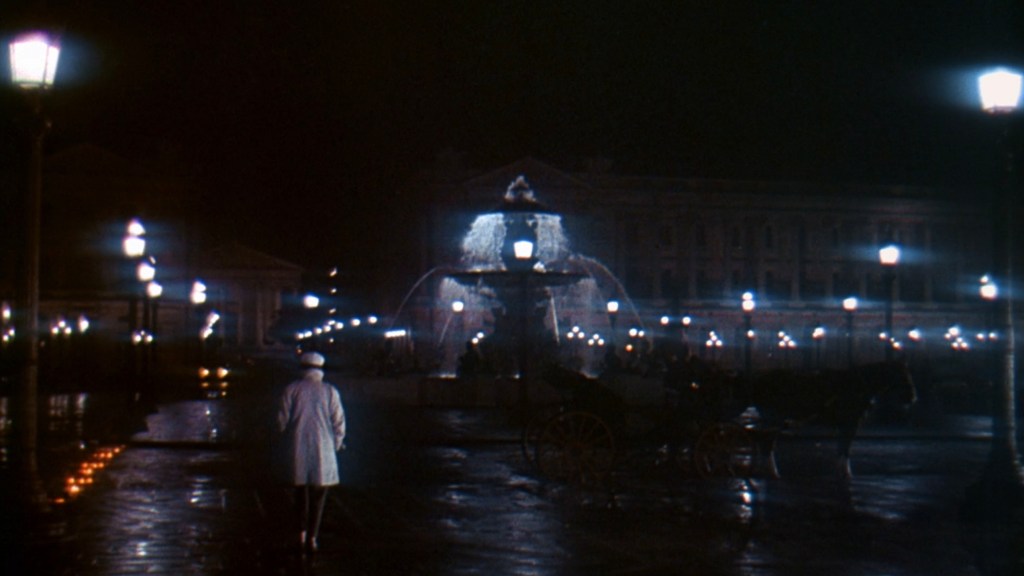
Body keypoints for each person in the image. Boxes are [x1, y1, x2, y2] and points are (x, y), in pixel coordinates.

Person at [276, 351, 346, 553]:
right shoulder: (330, 391)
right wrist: (336, 444)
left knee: (300, 494)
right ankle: (313, 537)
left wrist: (283, 440)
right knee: (319, 496)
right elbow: (339, 422)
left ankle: (300, 533)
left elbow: (281, 421)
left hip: (297, 446)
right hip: (323, 448)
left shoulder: (292, 389)